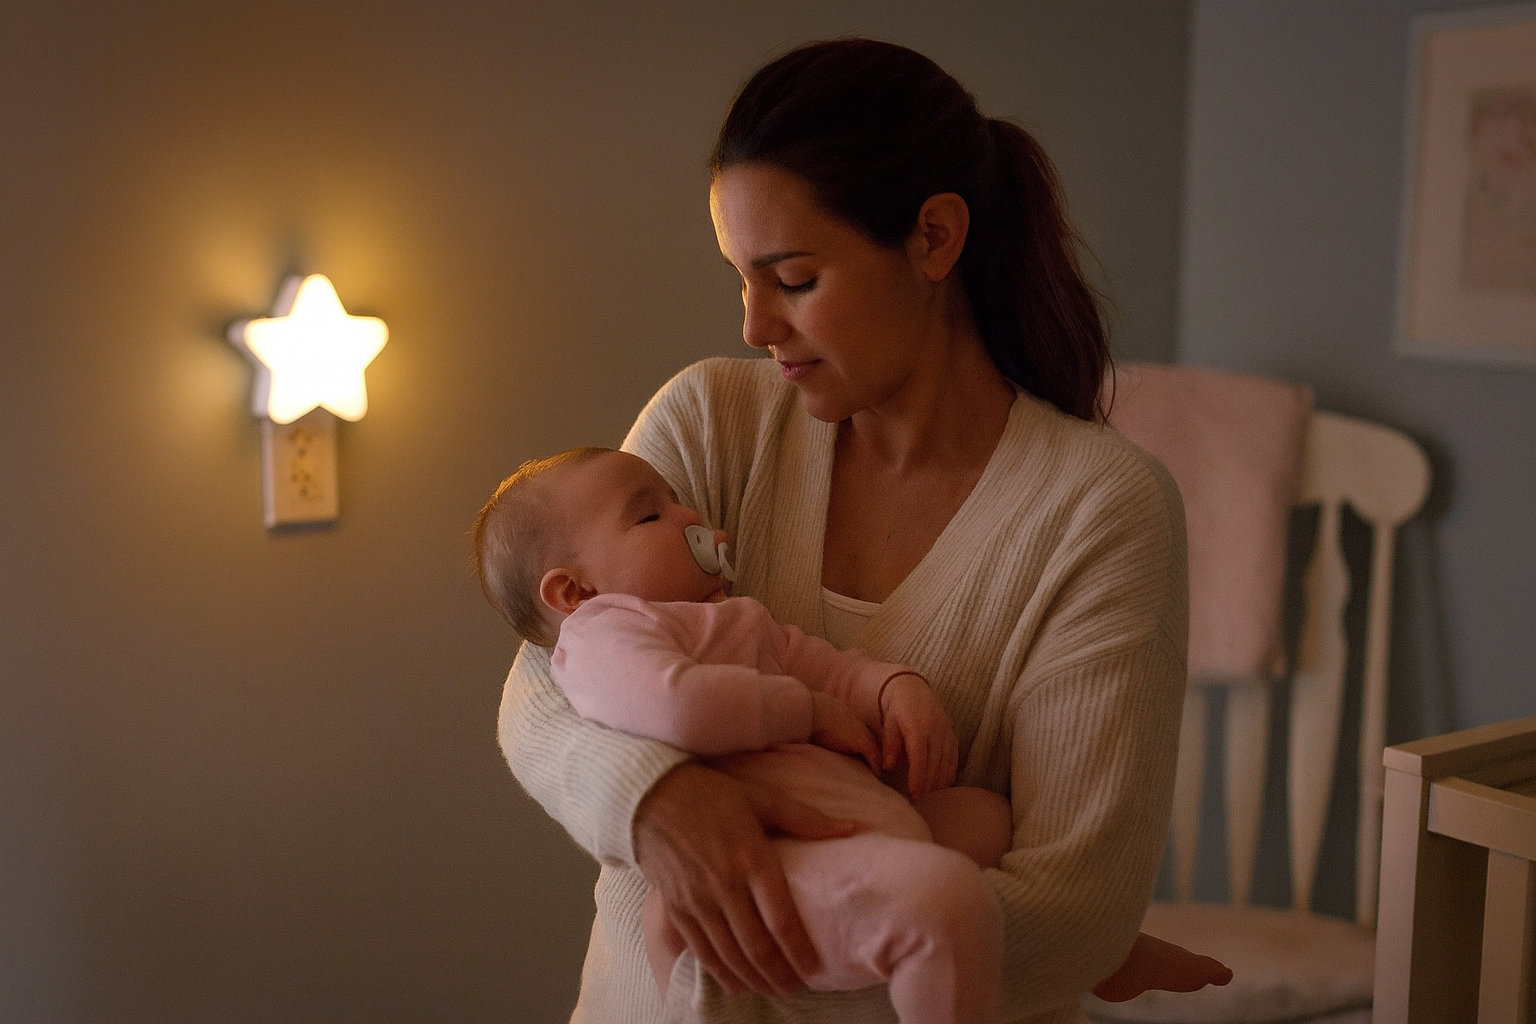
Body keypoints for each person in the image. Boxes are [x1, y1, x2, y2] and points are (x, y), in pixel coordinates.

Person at [499, 37, 1197, 1024]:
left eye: (792, 277)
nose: (754, 325)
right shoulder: (711, 421)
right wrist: (656, 803)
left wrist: (734, 884)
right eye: (739, 277)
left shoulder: (1098, 510)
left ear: (934, 239)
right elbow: (543, 686)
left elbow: (1076, 911)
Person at [477, 447, 1227, 1024]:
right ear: (573, 592)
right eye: (652, 517)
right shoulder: (606, 633)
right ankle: (1023, 956)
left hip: (855, 827)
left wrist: (890, 687)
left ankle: (1090, 955)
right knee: (945, 900)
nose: (692, 520)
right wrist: (800, 711)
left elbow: (823, 662)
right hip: (772, 869)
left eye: (680, 502)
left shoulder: (731, 618)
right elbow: (675, 709)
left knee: (984, 817)